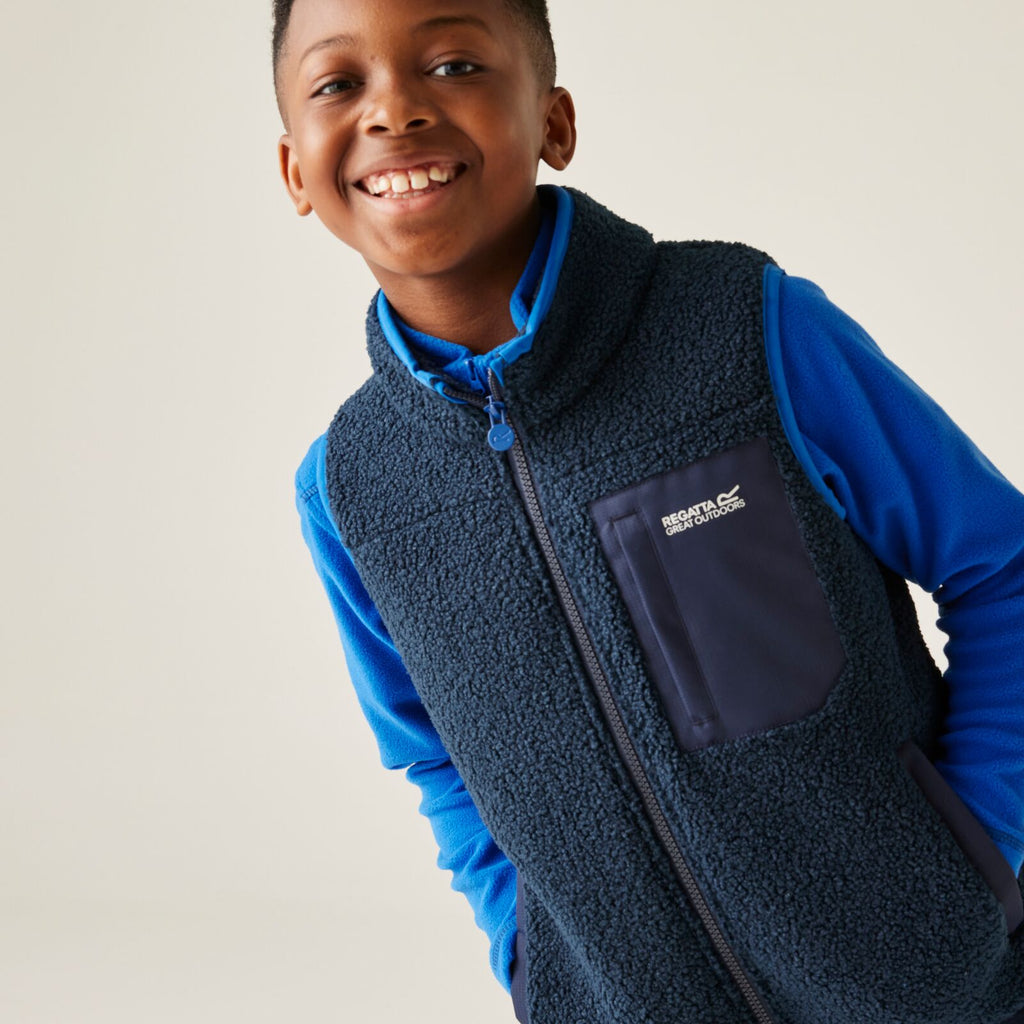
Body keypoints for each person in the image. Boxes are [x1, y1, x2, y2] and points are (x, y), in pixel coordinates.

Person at [272, 0, 1024, 1020]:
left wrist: (977, 866)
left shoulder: (744, 331)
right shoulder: (352, 489)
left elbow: (1002, 569)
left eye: (453, 64)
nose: (393, 109)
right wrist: (533, 959)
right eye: (337, 83)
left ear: (554, 122)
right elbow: (433, 756)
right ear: (295, 171)